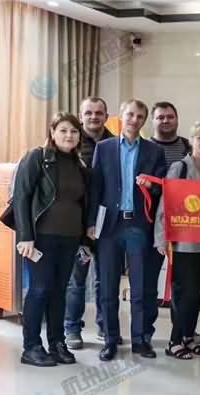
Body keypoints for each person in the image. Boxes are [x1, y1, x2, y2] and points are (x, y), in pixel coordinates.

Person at [87, 99, 167, 362]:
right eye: (130, 114)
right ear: (121, 116)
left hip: (138, 226)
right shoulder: (104, 148)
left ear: (144, 120)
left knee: (140, 287)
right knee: (108, 286)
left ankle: (140, 340)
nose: (134, 120)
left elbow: (161, 188)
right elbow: (96, 188)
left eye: (140, 116)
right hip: (110, 226)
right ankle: (110, 340)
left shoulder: (154, 151)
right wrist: (91, 223)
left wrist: (151, 186)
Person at [15, 112, 88, 367]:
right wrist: (25, 236)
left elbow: (83, 202)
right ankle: (31, 347)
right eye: (63, 130)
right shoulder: (37, 157)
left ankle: (57, 343)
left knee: (59, 291)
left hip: (70, 238)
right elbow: (21, 197)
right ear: (53, 132)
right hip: (41, 238)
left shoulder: (79, 164)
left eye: (74, 131)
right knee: (39, 289)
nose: (69, 135)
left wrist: (85, 239)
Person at [153, 122, 200, 360]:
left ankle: (189, 336)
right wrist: (161, 238)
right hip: (184, 242)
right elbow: (165, 205)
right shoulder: (180, 167)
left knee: (197, 292)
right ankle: (175, 341)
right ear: (191, 141)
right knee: (184, 293)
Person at [64, 96, 114, 349]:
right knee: (76, 281)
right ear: (81, 116)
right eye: (89, 113)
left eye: (99, 113)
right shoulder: (70, 142)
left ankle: (105, 327)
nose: (94, 117)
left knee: (105, 280)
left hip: (107, 223)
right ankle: (72, 328)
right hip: (77, 224)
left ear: (106, 116)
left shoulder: (116, 143)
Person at [150, 101, 192, 169]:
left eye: (170, 117)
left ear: (177, 119)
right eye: (161, 118)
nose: (166, 121)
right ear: (153, 121)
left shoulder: (190, 147)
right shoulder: (142, 148)